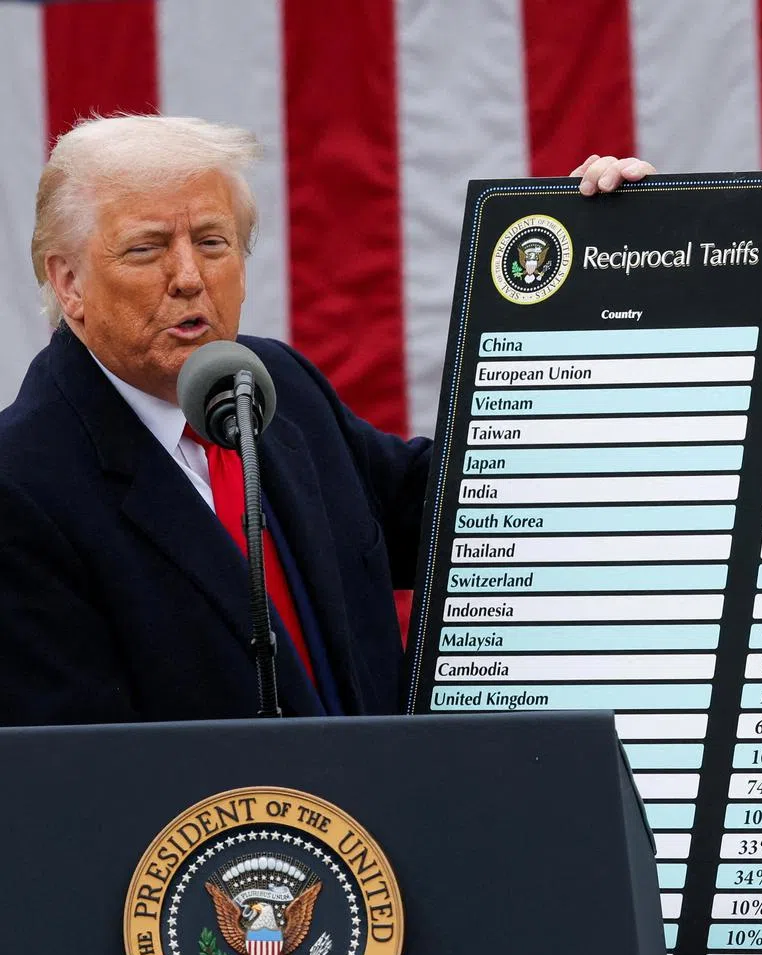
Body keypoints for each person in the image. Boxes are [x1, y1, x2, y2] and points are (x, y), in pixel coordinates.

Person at [0, 115, 654, 726]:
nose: (190, 277)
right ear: (68, 283)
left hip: (387, 832)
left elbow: (461, 512)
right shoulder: (23, 486)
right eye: (146, 250)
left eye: (212, 242)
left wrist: (600, 282)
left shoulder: (276, 383)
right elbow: (74, 781)